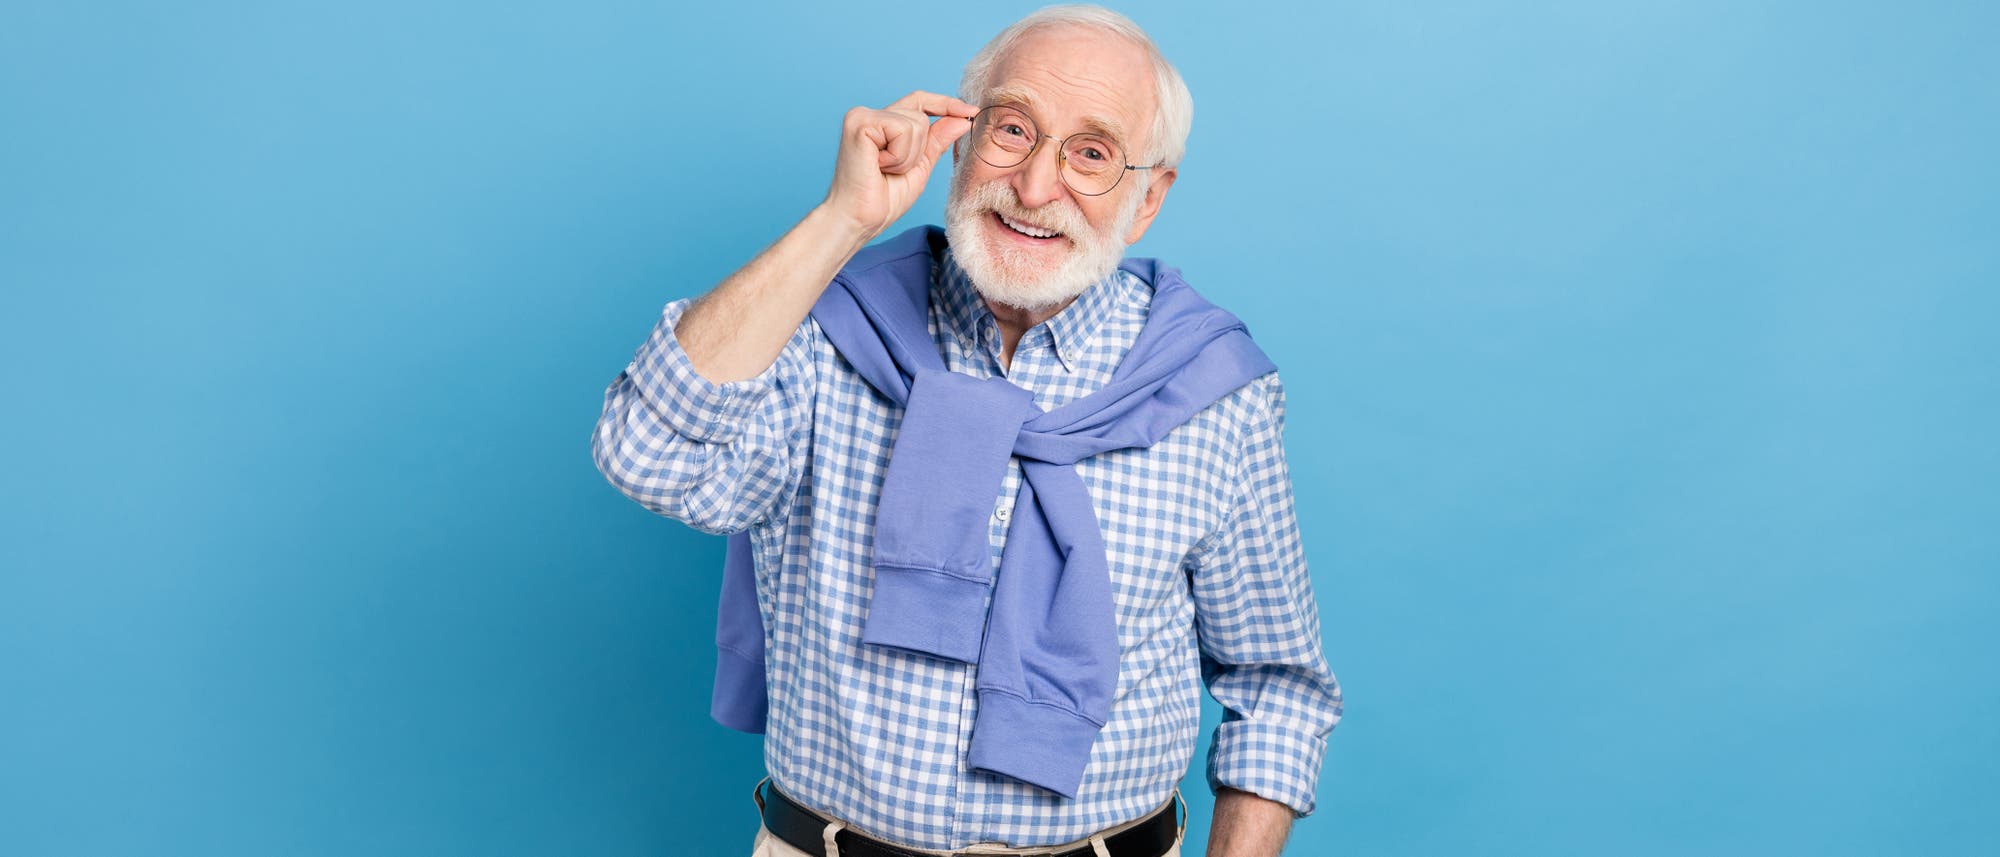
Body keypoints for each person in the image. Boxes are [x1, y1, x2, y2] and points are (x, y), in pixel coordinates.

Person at [591, 6, 1342, 856]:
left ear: (1147, 199)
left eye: (1091, 153)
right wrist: (842, 222)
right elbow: (643, 455)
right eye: (1012, 129)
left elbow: (1275, 684)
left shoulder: (1213, 390)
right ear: (958, 135)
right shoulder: (818, 333)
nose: (1033, 186)